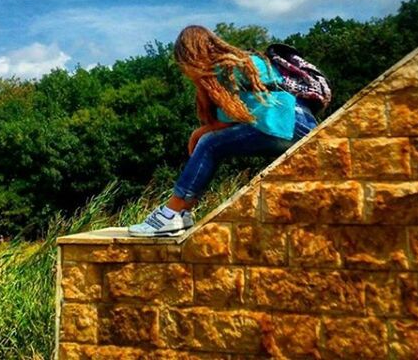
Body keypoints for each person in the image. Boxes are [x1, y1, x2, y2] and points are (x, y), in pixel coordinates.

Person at [128, 25, 318, 237]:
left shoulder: (225, 67)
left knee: (211, 144)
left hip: (286, 122)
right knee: (211, 142)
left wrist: (197, 134)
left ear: (192, 54)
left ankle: (172, 213)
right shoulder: (238, 61)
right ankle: (181, 212)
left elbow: (232, 118)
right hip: (301, 121)